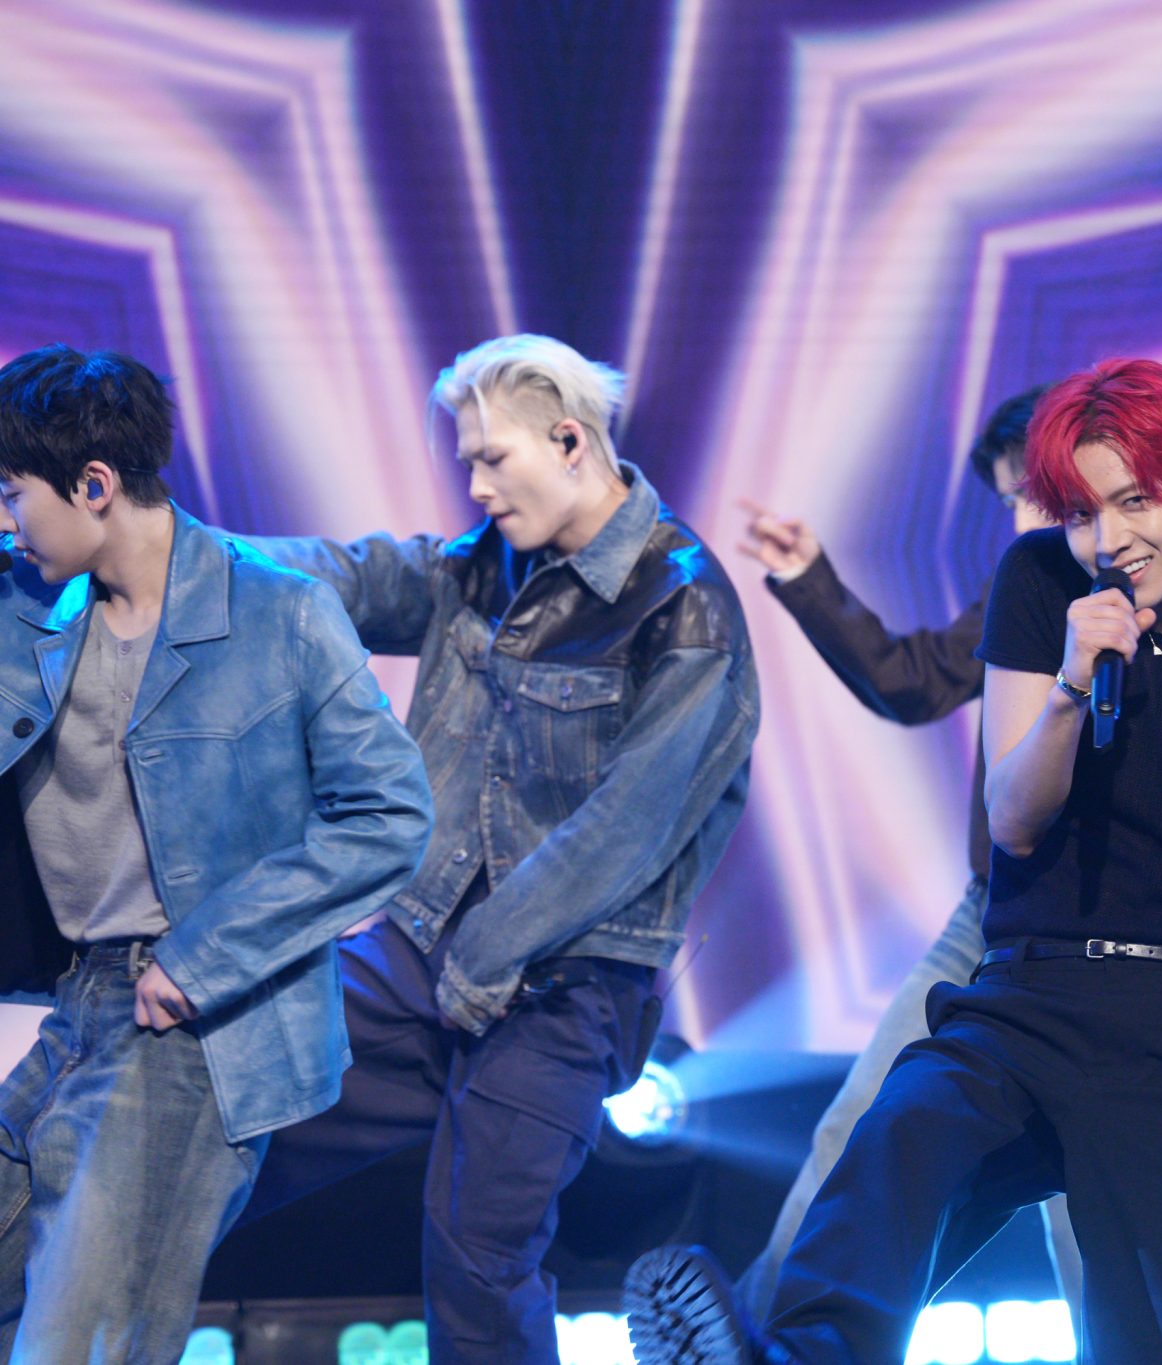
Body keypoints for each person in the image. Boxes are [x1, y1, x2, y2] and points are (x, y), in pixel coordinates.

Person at [629, 357, 1162, 1365]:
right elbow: (1014, 821)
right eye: (1082, 512)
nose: (1108, 539)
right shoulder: (1040, 584)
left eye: (1134, 501)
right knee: (899, 1133)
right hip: (1025, 995)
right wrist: (1072, 689)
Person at [229, 334, 759, 1365]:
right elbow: (337, 577)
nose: (473, 485)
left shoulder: (685, 605)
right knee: (225, 1109)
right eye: (466, 460)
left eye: (490, 459)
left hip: (569, 982)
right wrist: (165, 549)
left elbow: (623, 832)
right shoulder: (483, 567)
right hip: (424, 944)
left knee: (479, 1254)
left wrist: (479, 962)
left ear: (569, 441)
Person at [0, 344, 433, 1360]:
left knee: (81, 1344)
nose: (7, 522)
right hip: (78, 1010)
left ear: (93, 486)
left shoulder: (280, 614)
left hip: (195, 1030)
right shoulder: (27, 608)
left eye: (13, 494)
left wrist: (206, 957)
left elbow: (389, 815)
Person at [729, 386, 1085, 1317]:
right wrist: (810, 577)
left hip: (1105, 940)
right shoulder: (1025, 587)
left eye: (1032, 493)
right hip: (990, 917)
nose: (1021, 519)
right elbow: (915, 679)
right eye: (1011, 499)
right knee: (860, 1124)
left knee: (1090, 1209)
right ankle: (759, 1333)